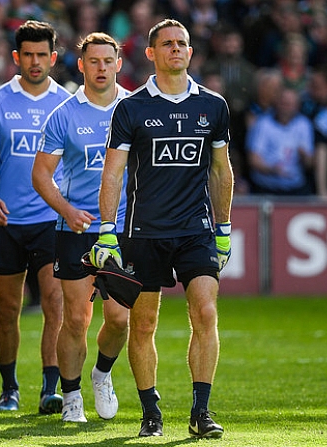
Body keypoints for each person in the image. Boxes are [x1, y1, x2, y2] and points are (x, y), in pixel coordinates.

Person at [91, 19, 233, 438]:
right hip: (143, 232)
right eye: (167, 44)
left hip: (196, 229)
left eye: (182, 44)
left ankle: (201, 412)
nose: (176, 49)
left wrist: (223, 229)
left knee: (205, 312)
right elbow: (113, 173)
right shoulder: (131, 108)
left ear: (191, 52)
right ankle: (151, 412)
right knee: (144, 324)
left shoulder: (214, 106)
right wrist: (105, 230)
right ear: (150, 53)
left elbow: (221, 172)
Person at [0, 20, 70, 414]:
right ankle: (9, 387)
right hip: (5, 221)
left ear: (53, 58)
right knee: (7, 310)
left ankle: (50, 387)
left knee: (54, 304)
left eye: (41, 54)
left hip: (51, 220)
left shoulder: (66, 104)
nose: (34, 61)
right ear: (16, 57)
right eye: (27, 54)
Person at [31, 32, 130, 423]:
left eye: (108, 61)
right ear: (81, 65)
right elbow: (41, 175)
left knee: (120, 320)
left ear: (118, 64)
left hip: (122, 229)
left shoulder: (135, 108)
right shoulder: (65, 114)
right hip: (76, 229)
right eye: (94, 61)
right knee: (75, 319)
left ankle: (102, 374)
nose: (101, 68)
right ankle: (71, 396)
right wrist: (67, 210)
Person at [247, 87, 315, 195]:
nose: (285, 107)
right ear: (276, 103)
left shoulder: (304, 124)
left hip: (296, 188)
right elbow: (253, 160)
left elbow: (310, 163)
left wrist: (304, 157)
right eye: (283, 103)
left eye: (289, 104)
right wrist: (272, 170)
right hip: (265, 187)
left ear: (297, 106)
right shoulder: (262, 124)